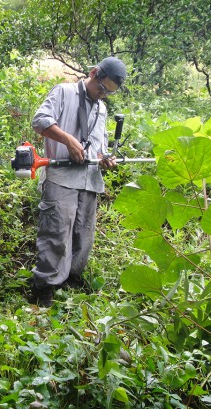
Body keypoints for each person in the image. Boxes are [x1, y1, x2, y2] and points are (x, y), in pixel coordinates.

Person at [30, 56, 127, 307]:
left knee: (83, 234)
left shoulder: (101, 108)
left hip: (89, 179)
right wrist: (68, 140)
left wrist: (105, 158)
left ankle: (71, 279)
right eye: (102, 88)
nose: (102, 95)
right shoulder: (64, 92)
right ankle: (45, 287)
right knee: (56, 232)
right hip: (61, 177)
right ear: (94, 73)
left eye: (109, 93)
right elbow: (40, 121)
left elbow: (98, 145)